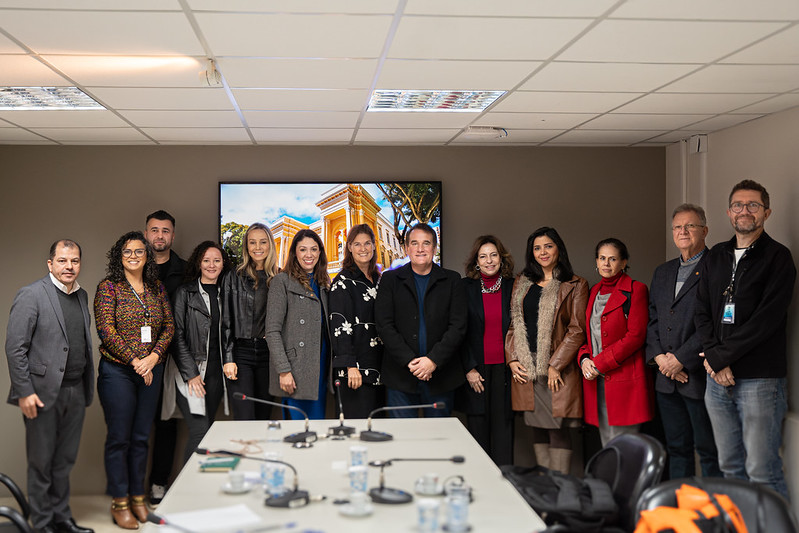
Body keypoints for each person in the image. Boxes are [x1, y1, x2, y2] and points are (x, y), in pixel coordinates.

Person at [696, 180, 796, 497]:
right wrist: (714, 357)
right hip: (716, 380)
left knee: (762, 472)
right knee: (730, 467)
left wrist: (720, 357)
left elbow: (766, 321)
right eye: (738, 205)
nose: (745, 211)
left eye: (753, 205)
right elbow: (701, 312)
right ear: (729, 212)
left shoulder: (779, 258)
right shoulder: (715, 257)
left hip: (759, 381)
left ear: (766, 212)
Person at [5, 240, 95, 533]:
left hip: (75, 390)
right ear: (50, 264)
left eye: (75, 261)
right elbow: (15, 348)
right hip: (41, 393)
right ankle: (42, 524)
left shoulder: (81, 296)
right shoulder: (31, 295)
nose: (69, 267)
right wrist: (25, 392)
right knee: (41, 464)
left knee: (64, 461)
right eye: (63, 261)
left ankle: (62, 518)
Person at [95, 231, 174, 529]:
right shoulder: (109, 287)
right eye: (127, 252)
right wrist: (136, 361)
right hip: (118, 372)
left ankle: (138, 498)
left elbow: (168, 325)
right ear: (119, 255)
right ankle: (120, 501)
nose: (133, 256)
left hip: (151, 370)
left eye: (139, 252)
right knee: (120, 439)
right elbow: (106, 329)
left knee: (142, 438)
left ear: (146, 256)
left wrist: (153, 358)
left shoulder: (156, 288)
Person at [647, 204, 721, 480]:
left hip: (699, 377)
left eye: (690, 225)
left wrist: (680, 359)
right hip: (666, 380)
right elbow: (652, 319)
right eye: (678, 227)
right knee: (677, 449)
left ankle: (713, 517)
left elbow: (714, 323)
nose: (683, 231)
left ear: (704, 230)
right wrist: (660, 359)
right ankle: (682, 513)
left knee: (709, 450)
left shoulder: (718, 267)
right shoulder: (663, 272)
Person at [506, 228, 589, 473]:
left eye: (548, 246)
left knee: (558, 429)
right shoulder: (523, 282)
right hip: (527, 367)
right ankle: (545, 486)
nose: (543, 252)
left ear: (558, 249)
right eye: (537, 248)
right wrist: (512, 360)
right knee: (537, 427)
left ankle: (558, 490)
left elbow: (577, 330)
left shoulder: (575, 284)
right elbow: (514, 323)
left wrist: (555, 365)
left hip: (557, 368)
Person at [375, 223, 467, 417]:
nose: (420, 249)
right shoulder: (390, 280)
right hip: (400, 376)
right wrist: (410, 361)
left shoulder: (452, 280)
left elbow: (458, 326)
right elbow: (384, 325)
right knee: (402, 440)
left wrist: (433, 360)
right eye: (414, 243)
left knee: (438, 439)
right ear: (407, 248)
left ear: (434, 248)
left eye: (426, 243)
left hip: (441, 376)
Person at [579, 238, 654, 446]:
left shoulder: (636, 290)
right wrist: (584, 358)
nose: (606, 264)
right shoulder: (593, 291)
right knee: (607, 445)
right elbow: (589, 334)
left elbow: (636, 337)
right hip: (597, 383)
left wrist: (599, 364)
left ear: (623, 263)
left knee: (626, 447)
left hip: (625, 381)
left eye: (613, 259)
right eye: (602, 258)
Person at [162, 241, 232, 463]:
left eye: (217, 260)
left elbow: (229, 332)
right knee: (200, 431)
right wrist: (191, 373)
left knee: (208, 430)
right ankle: (184, 492)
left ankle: (200, 490)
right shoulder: (185, 292)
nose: (212, 265)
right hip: (189, 373)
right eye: (206, 260)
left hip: (215, 375)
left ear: (223, 264)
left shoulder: (226, 294)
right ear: (198, 263)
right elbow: (176, 335)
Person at [458, 235, 515, 465]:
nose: (489, 261)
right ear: (476, 262)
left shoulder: (515, 286)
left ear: (501, 258)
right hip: (476, 373)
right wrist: (468, 368)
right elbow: (459, 331)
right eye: (483, 256)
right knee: (477, 437)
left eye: (493, 255)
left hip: (506, 372)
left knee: (504, 436)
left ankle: (505, 492)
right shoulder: (464, 287)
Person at [144, 210, 186, 506]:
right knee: (133, 426)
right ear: (146, 233)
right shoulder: (133, 265)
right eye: (154, 230)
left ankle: (158, 484)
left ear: (173, 235)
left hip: (170, 359)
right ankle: (130, 491)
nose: (160, 236)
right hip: (134, 359)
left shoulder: (185, 270)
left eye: (165, 231)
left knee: (166, 423)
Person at [266, 229, 331, 419]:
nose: (309, 255)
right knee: (298, 430)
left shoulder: (324, 284)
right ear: (295, 253)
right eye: (303, 250)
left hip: (321, 363)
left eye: (314, 249)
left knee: (318, 428)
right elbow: (272, 331)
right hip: (295, 368)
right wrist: (284, 370)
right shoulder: (281, 281)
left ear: (320, 252)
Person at [223, 223, 279, 420]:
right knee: (244, 419)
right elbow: (226, 321)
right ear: (246, 246)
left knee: (264, 418)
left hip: (269, 356)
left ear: (270, 245)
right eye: (252, 242)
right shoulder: (234, 277)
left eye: (263, 242)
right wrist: (228, 359)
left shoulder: (280, 277)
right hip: (241, 354)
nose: (258, 247)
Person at [329, 224, 385, 418]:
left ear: (374, 246)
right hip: (356, 373)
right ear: (349, 247)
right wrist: (350, 366)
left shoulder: (380, 280)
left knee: (379, 434)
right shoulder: (343, 281)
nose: (363, 248)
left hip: (381, 371)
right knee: (356, 433)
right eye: (357, 244)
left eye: (367, 243)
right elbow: (339, 325)